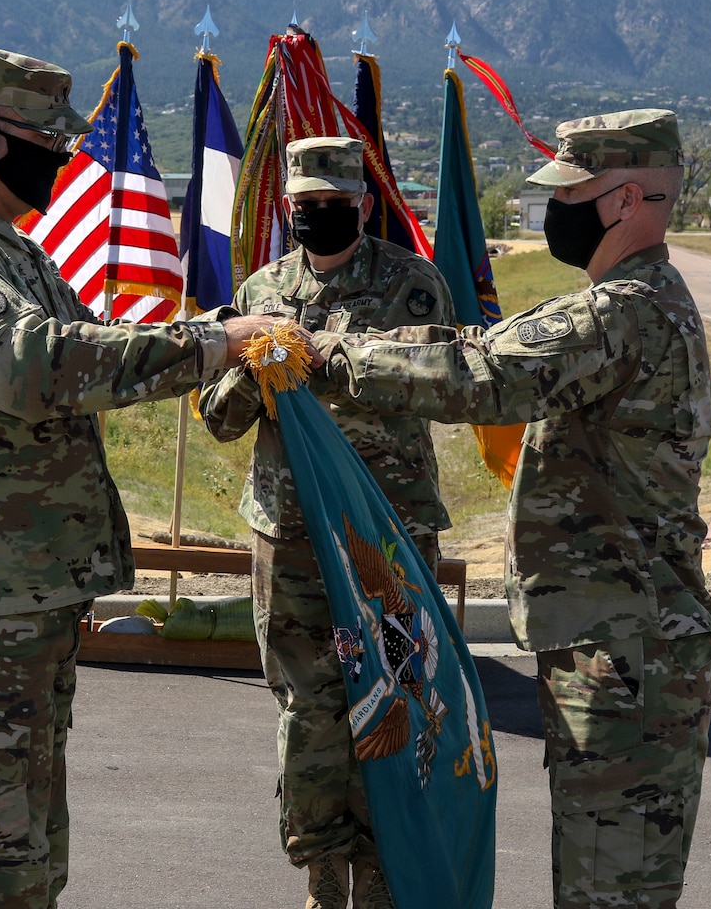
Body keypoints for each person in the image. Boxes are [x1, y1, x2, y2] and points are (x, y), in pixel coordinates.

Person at [0, 42, 280, 909]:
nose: (61, 158)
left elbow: (91, 352)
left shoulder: (12, 252)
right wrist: (211, 344)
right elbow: (32, 367)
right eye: (46, 140)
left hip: (15, 604)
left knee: (28, 870)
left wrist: (217, 329)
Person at [311, 110, 711, 908]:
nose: (553, 211)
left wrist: (330, 351)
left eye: (571, 193)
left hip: (626, 649)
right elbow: (485, 343)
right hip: (624, 641)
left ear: (627, 199)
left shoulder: (622, 311)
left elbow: (480, 373)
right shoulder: (630, 304)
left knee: (612, 890)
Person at [197, 136, 455, 909]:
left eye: (335, 206)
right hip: (295, 534)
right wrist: (253, 369)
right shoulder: (262, 290)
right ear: (286, 209)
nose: (319, 218)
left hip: (387, 532)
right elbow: (217, 419)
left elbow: (433, 384)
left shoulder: (413, 285)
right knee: (309, 708)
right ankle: (321, 878)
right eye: (305, 207)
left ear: (365, 206)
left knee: (394, 697)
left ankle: (380, 879)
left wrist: (325, 355)